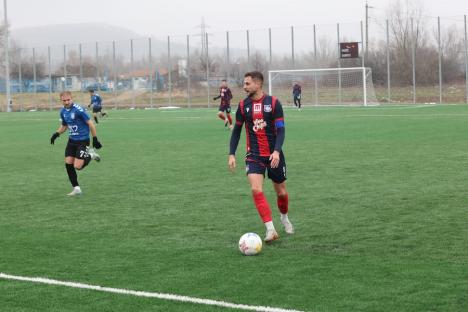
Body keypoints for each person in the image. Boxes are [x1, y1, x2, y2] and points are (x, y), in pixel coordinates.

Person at [228, 71, 294, 243]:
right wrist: (231, 154)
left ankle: (284, 218)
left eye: (248, 83)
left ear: (258, 84)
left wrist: (277, 151)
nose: (244, 86)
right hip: (254, 155)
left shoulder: (273, 103)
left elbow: (281, 130)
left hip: (274, 155)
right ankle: (270, 230)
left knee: (281, 192)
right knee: (256, 189)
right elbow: (236, 131)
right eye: (244, 83)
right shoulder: (243, 106)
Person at [50, 91, 103, 196]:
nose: (66, 102)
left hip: (83, 141)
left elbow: (90, 123)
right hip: (72, 141)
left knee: (78, 166)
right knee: (68, 163)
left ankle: (91, 155)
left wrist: (95, 138)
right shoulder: (63, 112)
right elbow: (64, 126)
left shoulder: (79, 110)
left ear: (72, 98)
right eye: (64, 100)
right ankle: (76, 188)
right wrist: (56, 134)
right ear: (61, 101)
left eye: (68, 100)